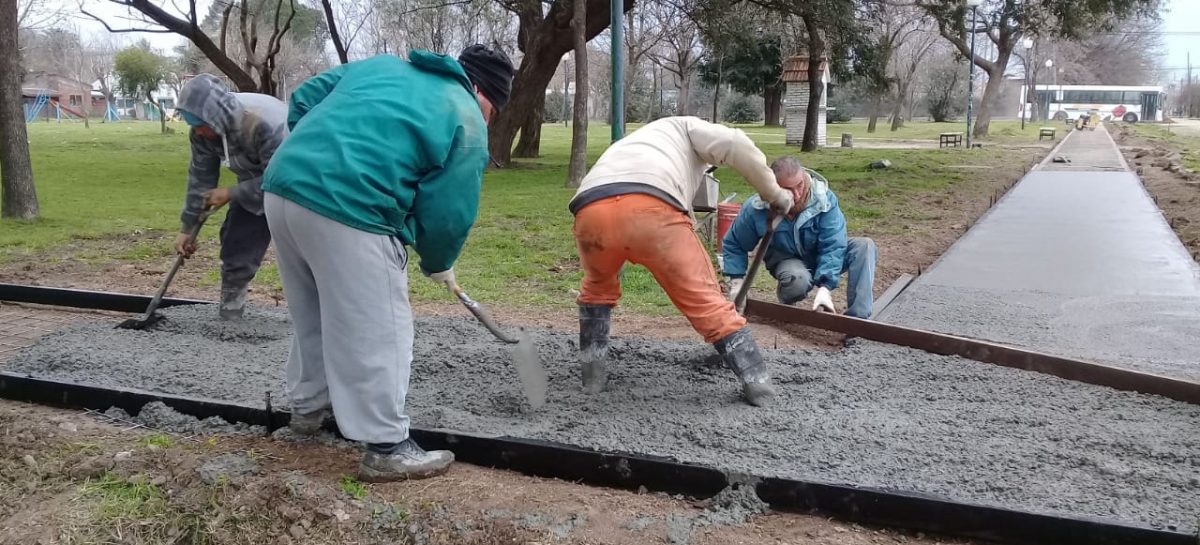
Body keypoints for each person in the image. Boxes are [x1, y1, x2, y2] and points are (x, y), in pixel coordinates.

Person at [260, 45, 514, 482]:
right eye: (493, 108)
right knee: (381, 330)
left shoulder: (382, 66)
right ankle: (387, 447)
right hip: (351, 207)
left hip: (283, 190)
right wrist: (439, 261)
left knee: (315, 317)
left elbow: (304, 97)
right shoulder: (465, 115)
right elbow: (448, 213)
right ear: (478, 89)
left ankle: (305, 416)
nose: (489, 119)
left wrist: (320, 152)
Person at [568, 116, 796, 407]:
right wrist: (775, 194)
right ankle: (759, 385)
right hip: (650, 206)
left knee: (596, 291)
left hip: (591, 211)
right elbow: (735, 143)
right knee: (707, 302)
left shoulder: (639, 143)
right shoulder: (687, 127)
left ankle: (593, 379)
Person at [174, 73, 288, 320]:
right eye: (194, 125)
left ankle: (324, 314)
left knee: (311, 252)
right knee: (236, 241)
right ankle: (231, 313)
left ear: (216, 114)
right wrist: (187, 227)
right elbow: (200, 179)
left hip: (302, 186)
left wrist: (231, 193)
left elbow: (281, 178)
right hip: (254, 183)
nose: (200, 131)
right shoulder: (202, 134)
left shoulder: (262, 123)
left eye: (202, 124)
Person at [722, 156, 877, 319]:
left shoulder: (823, 200)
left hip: (821, 254)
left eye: (800, 185)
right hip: (788, 262)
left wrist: (825, 287)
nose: (796, 194)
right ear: (773, 187)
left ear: (804, 176)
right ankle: (788, 302)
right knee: (797, 281)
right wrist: (737, 282)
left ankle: (858, 319)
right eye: (788, 189)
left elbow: (834, 244)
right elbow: (734, 244)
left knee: (864, 246)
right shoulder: (757, 208)